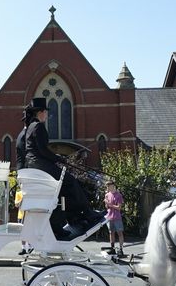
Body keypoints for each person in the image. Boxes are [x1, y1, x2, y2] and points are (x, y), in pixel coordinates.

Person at [23, 97, 104, 239]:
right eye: (46, 112)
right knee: (70, 181)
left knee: (61, 191)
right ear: (40, 112)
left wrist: (57, 157)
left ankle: (73, 219)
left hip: (35, 165)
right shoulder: (38, 126)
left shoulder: (30, 127)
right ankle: (87, 213)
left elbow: (38, 150)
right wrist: (59, 158)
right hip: (41, 165)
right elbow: (42, 150)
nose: (47, 115)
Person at [104, 180, 125, 256]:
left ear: (112, 186)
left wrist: (110, 204)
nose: (107, 188)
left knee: (119, 233)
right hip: (109, 217)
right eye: (107, 186)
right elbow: (107, 207)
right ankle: (112, 248)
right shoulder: (107, 195)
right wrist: (106, 204)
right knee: (111, 233)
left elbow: (119, 208)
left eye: (108, 186)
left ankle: (121, 249)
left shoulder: (118, 195)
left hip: (117, 217)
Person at [14, 185, 33, 255]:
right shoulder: (18, 193)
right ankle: (24, 248)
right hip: (21, 216)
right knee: (22, 233)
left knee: (30, 232)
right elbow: (16, 205)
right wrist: (22, 199)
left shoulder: (31, 194)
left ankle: (30, 247)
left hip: (29, 216)